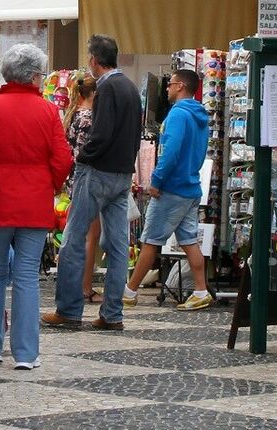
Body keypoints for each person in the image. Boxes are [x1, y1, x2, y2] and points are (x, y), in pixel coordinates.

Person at [0, 44, 73, 370]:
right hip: (35, 201)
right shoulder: (48, 111)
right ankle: (27, 353)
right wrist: (51, 184)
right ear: (35, 75)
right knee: (26, 275)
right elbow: (63, 158)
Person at [43, 34, 141, 331]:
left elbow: (101, 134)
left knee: (73, 239)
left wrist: (83, 156)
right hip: (122, 174)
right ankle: (112, 314)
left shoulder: (106, 88)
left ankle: (69, 310)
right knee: (117, 243)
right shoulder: (130, 87)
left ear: (94, 61)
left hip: (97, 171)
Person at [124, 69, 211, 311]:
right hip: (191, 186)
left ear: (181, 86)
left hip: (171, 188)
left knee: (151, 239)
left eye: (170, 84)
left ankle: (130, 291)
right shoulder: (200, 116)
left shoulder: (177, 116)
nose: (166, 88)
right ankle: (201, 290)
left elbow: (170, 152)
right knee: (190, 240)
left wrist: (157, 180)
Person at [62, 75, 101, 304]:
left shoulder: (74, 114)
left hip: (75, 180)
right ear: (94, 94)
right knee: (90, 235)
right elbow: (84, 154)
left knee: (77, 232)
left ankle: (78, 284)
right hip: (86, 181)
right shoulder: (89, 118)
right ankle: (85, 287)